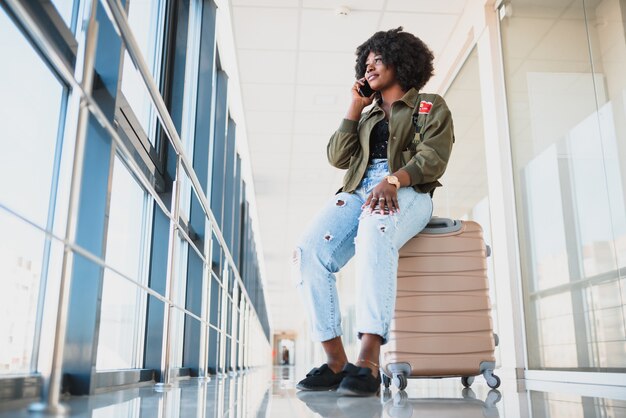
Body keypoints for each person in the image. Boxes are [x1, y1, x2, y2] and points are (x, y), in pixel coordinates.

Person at [292, 27, 455, 397]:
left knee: (374, 230)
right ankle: (336, 361)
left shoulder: (429, 105)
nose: (369, 67)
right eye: (366, 62)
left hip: (408, 190)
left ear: (401, 62)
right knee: (307, 253)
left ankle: (368, 357)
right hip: (357, 190)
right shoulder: (366, 116)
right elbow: (337, 156)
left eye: (378, 60)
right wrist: (354, 106)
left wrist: (395, 180)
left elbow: (434, 157)